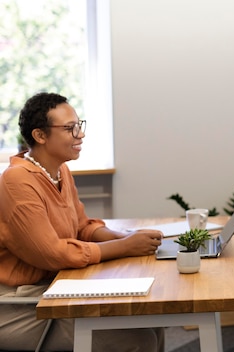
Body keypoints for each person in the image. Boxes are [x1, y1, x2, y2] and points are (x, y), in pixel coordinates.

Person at [0, 93, 165, 351]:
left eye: (79, 125)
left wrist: (125, 236)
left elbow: (82, 227)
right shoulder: (17, 180)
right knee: (139, 339)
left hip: (54, 287)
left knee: (151, 320)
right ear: (40, 136)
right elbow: (52, 254)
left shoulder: (60, 170)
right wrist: (125, 247)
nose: (80, 134)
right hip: (17, 303)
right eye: (69, 128)